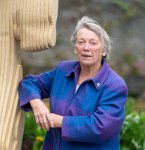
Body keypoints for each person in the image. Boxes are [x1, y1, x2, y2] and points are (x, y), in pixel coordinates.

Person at [18, 16, 128, 150]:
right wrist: (37, 103)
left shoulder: (115, 85)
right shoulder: (63, 70)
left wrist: (58, 121)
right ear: (75, 48)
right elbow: (29, 83)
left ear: (104, 50)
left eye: (93, 43)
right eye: (81, 42)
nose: (86, 48)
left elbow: (100, 127)